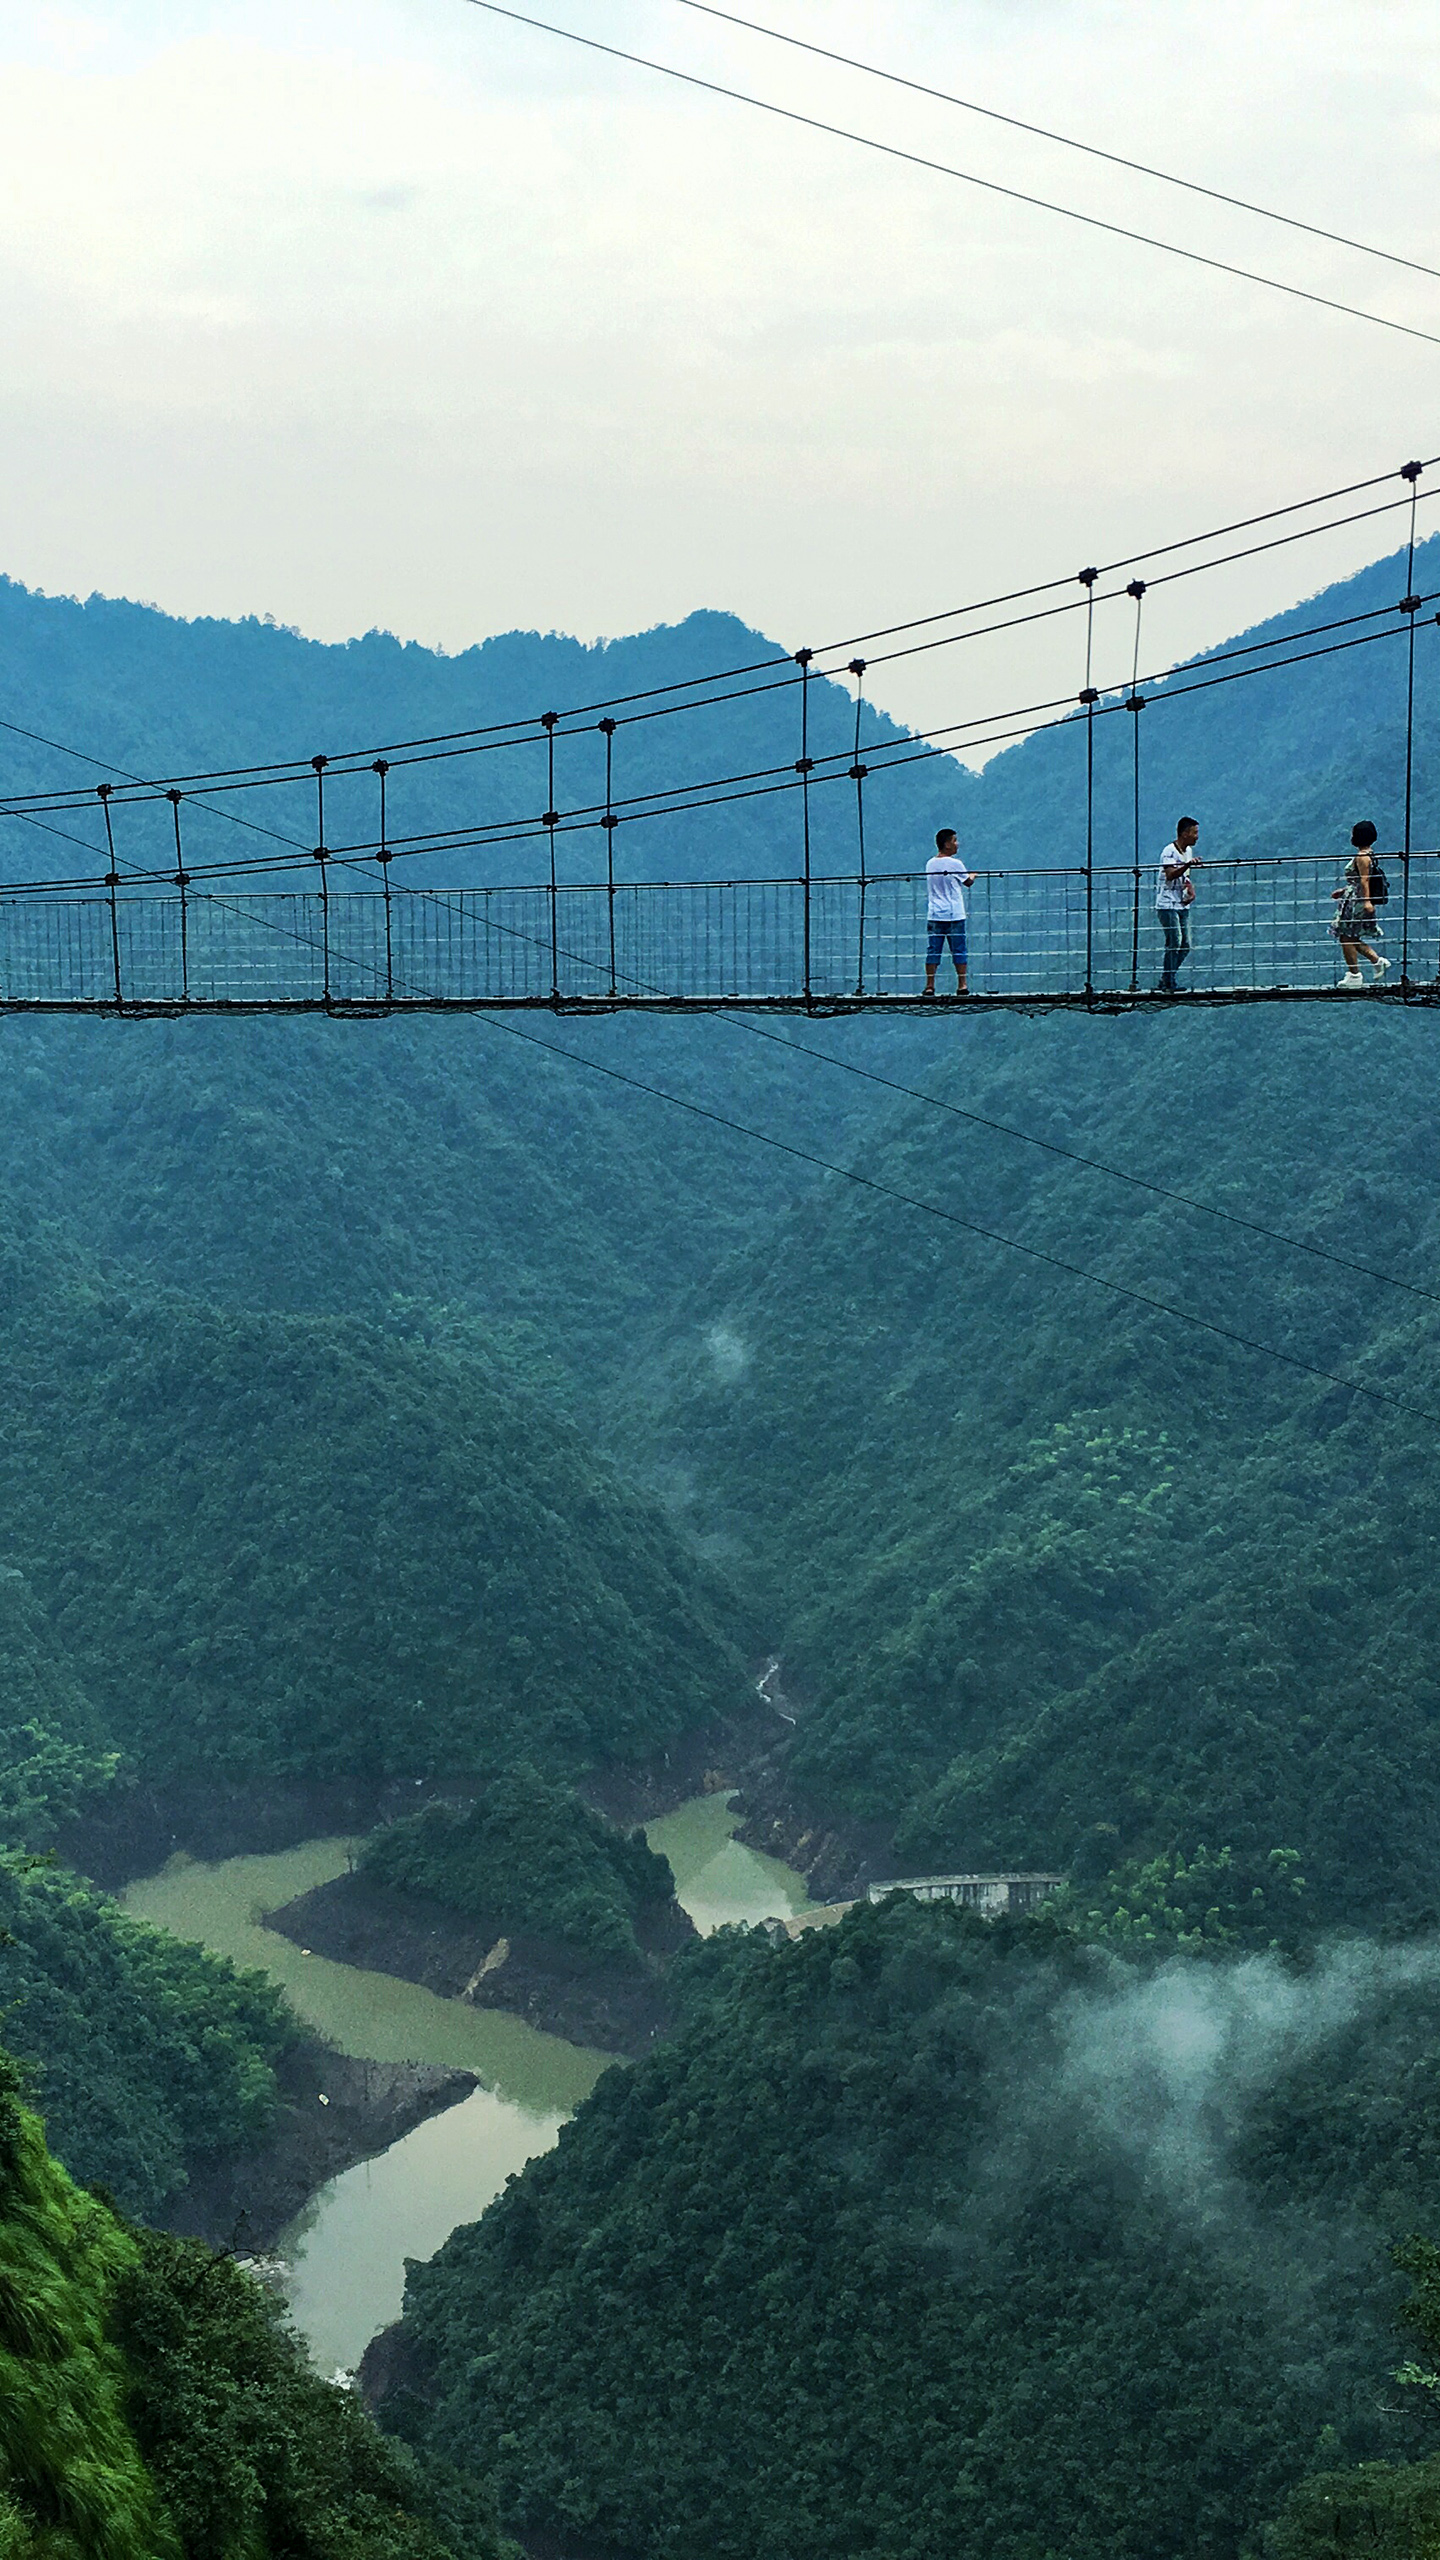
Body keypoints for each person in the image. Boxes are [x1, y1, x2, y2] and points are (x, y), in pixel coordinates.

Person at [1331, 820, 1390, 987]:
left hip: (1356, 901)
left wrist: (1366, 902)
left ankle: (1354, 975)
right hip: (1354, 897)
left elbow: (1364, 881)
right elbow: (1359, 881)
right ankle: (1376, 961)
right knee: (1351, 936)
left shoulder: (1362, 856)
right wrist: (1343, 891)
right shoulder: (1369, 854)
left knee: (1346, 936)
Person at [923, 827, 976, 997]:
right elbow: (967, 882)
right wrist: (974, 875)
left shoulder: (930, 863)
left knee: (933, 950)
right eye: (954, 841)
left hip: (935, 914)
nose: (957, 844)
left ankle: (930, 985)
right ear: (946, 844)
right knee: (959, 949)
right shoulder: (955, 864)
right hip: (954, 914)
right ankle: (962, 984)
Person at [1154, 817, 1201, 993]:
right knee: (1175, 941)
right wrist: (1187, 864)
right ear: (1184, 833)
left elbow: (1184, 876)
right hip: (1167, 903)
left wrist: (1191, 889)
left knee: (1185, 944)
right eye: (1194, 833)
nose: (1196, 837)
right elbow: (1170, 874)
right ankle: (1168, 980)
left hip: (1181, 903)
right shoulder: (1169, 851)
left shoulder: (1187, 851)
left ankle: (1167, 977)